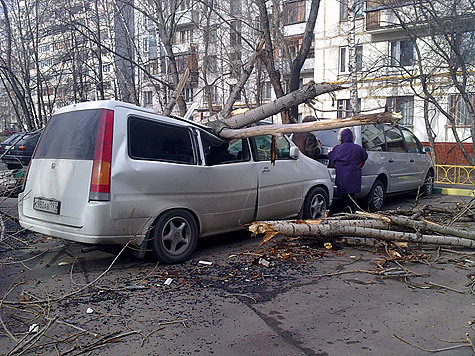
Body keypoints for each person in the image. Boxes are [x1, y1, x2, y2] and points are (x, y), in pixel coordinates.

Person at [328, 128, 368, 209]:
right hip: (354, 176)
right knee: (352, 196)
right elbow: (364, 157)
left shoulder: (338, 148)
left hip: (342, 176)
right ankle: (353, 211)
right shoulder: (358, 148)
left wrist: (331, 152)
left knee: (343, 196)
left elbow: (331, 156)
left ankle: (344, 211)